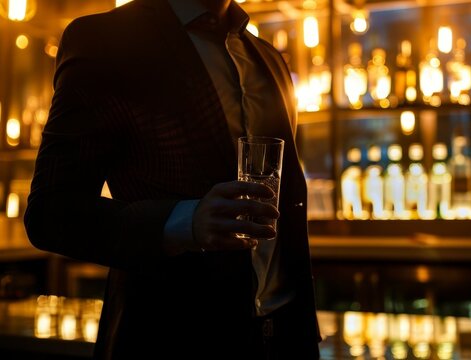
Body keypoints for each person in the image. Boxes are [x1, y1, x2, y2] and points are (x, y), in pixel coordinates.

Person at [24, 0, 321, 358]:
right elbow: (51, 213)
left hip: (283, 338)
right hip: (169, 337)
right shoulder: (105, 40)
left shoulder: (267, 56)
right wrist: (185, 222)